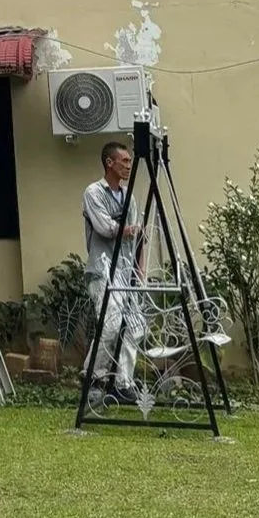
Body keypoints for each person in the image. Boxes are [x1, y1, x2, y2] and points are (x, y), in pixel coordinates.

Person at [82, 141, 142, 405]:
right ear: (109, 163)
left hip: (127, 270)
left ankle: (123, 383)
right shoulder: (94, 192)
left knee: (136, 325)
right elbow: (105, 228)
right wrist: (129, 230)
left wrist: (139, 270)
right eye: (124, 161)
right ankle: (92, 377)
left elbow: (138, 237)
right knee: (111, 323)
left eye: (130, 161)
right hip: (103, 269)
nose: (128, 166)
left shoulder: (130, 196)